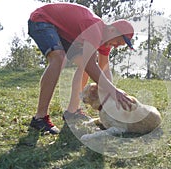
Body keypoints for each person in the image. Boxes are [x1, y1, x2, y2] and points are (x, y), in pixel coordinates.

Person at [28, 2, 135, 134]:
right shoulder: (95, 28)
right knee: (58, 58)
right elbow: (91, 66)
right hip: (42, 20)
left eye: (120, 45)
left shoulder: (105, 42)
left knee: (87, 61)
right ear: (112, 30)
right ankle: (40, 118)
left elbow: (104, 69)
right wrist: (114, 92)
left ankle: (72, 112)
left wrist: (112, 96)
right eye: (118, 42)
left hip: (63, 32)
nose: (117, 46)